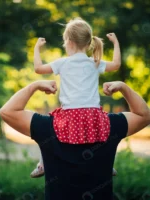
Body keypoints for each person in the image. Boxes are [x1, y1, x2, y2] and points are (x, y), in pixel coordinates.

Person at [0, 80, 150, 200]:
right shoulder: (109, 125)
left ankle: (42, 164)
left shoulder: (48, 126)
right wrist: (123, 88)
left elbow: (7, 111)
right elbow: (145, 115)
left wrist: (34, 86)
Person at [31, 17, 121, 177]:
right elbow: (116, 64)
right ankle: (107, 164)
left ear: (69, 42)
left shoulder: (63, 63)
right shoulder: (95, 62)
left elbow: (38, 68)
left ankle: (42, 164)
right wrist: (115, 43)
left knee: (46, 129)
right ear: (88, 43)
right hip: (93, 115)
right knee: (106, 132)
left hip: (70, 116)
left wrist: (37, 48)